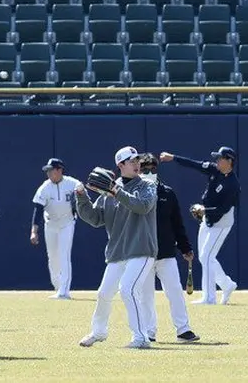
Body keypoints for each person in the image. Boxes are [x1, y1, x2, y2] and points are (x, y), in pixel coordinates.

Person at [75, 146, 158, 349]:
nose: (137, 164)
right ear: (120, 165)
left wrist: (115, 191)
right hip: (117, 252)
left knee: (128, 289)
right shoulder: (108, 191)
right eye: (131, 161)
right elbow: (95, 218)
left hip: (141, 249)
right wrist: (82, 197)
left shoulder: (148, 185)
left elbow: (143, 206)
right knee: (104, 293)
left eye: (137, 160)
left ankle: (141, 338)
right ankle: (98, 332)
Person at [159, 146, 240, 305]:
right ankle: (226, 284)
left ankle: (209, 298)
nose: (216, 160)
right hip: (208, 218)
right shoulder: (214, 170)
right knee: (205, 257)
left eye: (220, 158)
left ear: (229, 161)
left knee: (207, 256)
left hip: (222, 222)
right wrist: (173, 157)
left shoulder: (233, 184)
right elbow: (194, 164)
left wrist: (204, 210)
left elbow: (223, 210)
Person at [138, 153, 200, 343]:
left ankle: (183, 330)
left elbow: (177, 224)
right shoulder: (132, 192)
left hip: (166, 252)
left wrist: (186, 248)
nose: (149, 171)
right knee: (145, 296)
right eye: (144, 168)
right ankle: (149, 332)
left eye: (152, 168)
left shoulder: (167, 193)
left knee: (174, 291)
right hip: (142, 253)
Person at [30, 158, 82, 299]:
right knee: (52, 257)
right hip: (51, 224)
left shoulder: (72, 183)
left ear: (60, 170)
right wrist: (34, 231)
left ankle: (64, 291)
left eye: (51, 170)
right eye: (47, 171)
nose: (48, 173)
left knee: (64, 254)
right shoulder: (45, 187)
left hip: (67, 223)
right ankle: (58, 287)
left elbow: (82, 191)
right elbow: (38, 210)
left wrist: (80, 192)